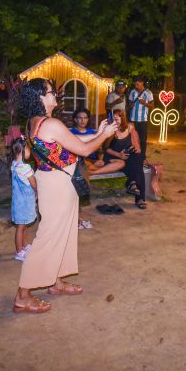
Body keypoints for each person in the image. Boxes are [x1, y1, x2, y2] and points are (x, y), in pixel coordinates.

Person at [14, 78, 118, 314]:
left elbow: (72, 141)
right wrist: (105, 135)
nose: (55, 96)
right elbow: (84, 150)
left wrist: (100, 131)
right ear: (40, 97)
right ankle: (23, 295)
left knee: (64, 233)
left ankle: (56, 281)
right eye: (50, 92)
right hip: (57, 184)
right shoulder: (50, 123)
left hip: (57, 182)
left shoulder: (36, 122)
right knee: (48, 238)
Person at [99, 110, 147, 208]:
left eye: (117, 119)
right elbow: (105, 148)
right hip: (113, 157)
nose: (115, 121)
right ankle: (138, 195)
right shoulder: (111, 130)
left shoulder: (130, 127)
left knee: (138, 158)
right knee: (138, 168)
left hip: (127, 156)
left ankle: (132, 183)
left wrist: (133, 149)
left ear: (122, 118)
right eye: (113, 119)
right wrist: (119, 154)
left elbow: (137, 146)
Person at [10, 137, 37, 261]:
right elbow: (33, 184)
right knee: (21, 227)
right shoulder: (25, 168)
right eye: (29, 149)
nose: (30, 152)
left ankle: (25, 245)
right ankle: (19, 251)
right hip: (24, 203)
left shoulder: (14, 165)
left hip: (18, 202)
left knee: (24, 224)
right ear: (23, 150)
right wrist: (38, 191)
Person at [127, 77, 154, 160]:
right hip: (133, 120)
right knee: (131, 139)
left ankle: (142, 157)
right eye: (135, 84)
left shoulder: (148, 93)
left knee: (142, 140)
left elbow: (152, 106)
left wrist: (144, 103)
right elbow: (130, 103)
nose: (136, 85)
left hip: (143, 120)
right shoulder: (132, 92)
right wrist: (130, 105)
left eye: (137, 84)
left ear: (142, 83)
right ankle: (133, 155)